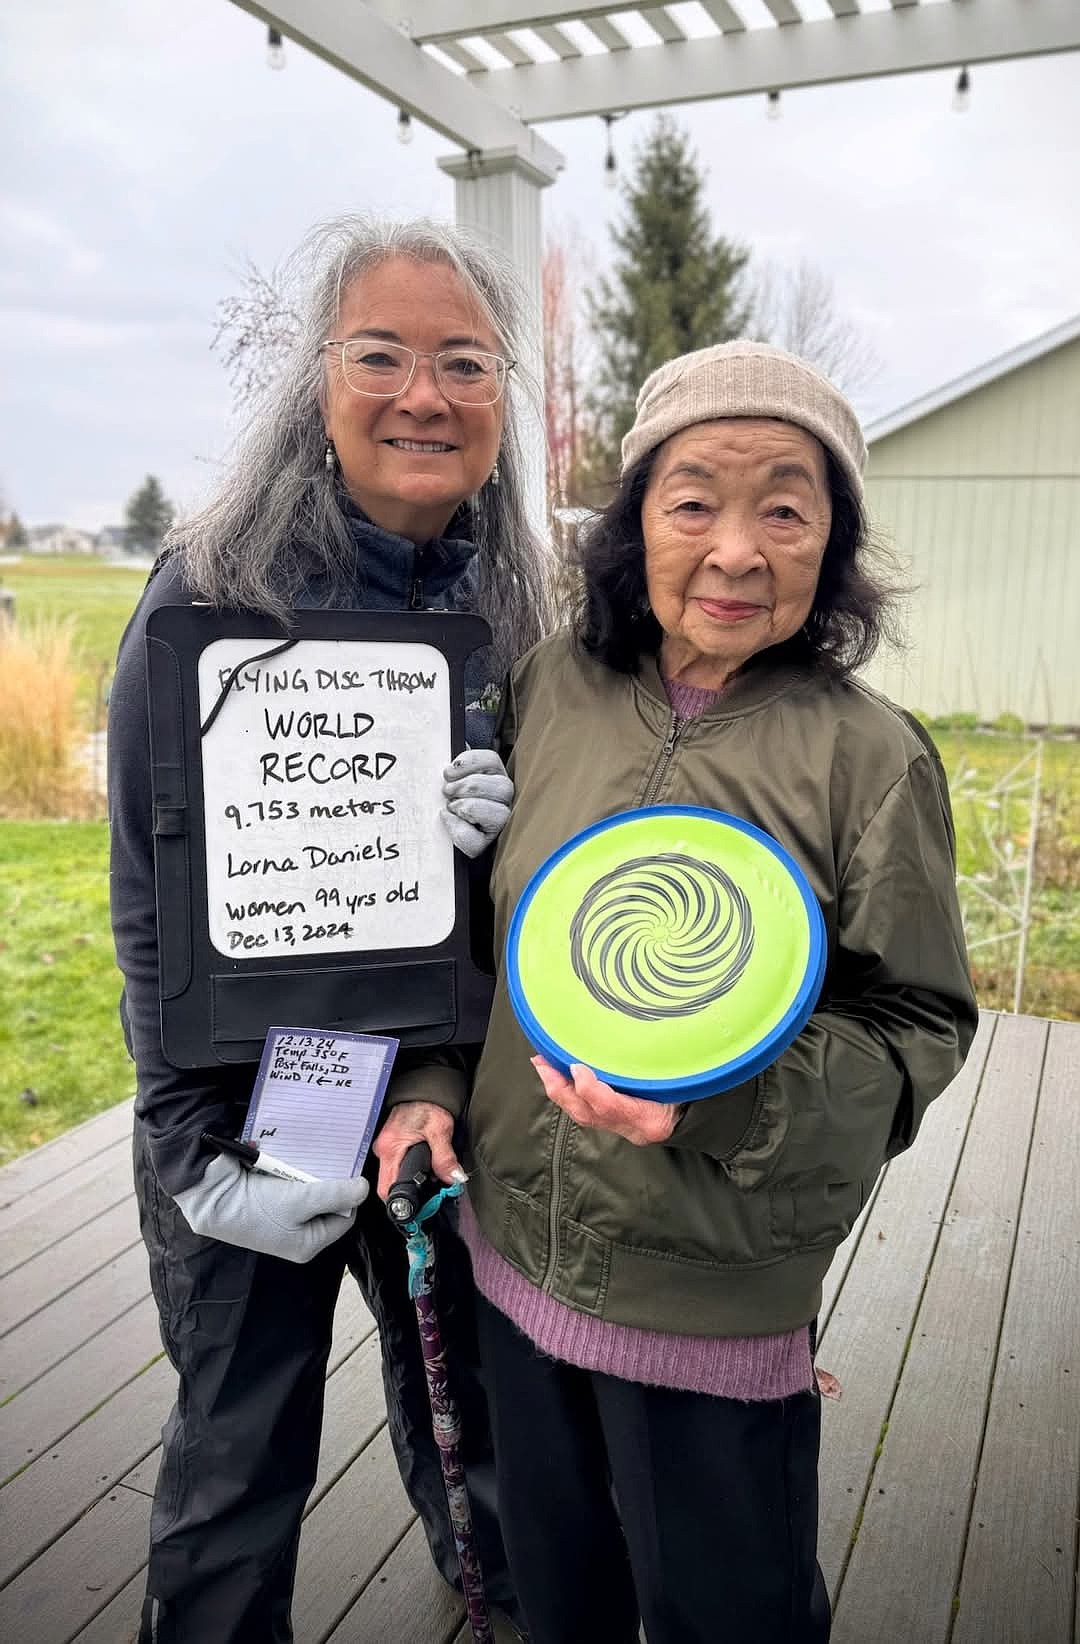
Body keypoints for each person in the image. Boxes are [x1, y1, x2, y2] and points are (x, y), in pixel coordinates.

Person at [374, 341, 979, 1644]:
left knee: (731, 1614)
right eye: (693, 499)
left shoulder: (868, 759)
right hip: (514, 1259)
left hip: (707, 1293)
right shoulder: (550, 693)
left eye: (785, 506)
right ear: (634, 522)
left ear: (834, 542)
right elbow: (481, 937)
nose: (737, 548)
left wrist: (731, 1094)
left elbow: (916, 1020)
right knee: (558, 1599)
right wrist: (429, 1084)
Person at [108, 215, 549, 1643]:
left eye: (464, 361)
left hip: (437, 1091)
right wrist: (189, 1146)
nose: (423, 393)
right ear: (316, 381)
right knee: (241, 1445)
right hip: (263, 1097)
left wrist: (500, 849)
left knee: (471, 1414)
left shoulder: (520, 600)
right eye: (381, 353)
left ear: (502, 400)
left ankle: (484, 1598)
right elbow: (144, 892)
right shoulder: (210, 593)